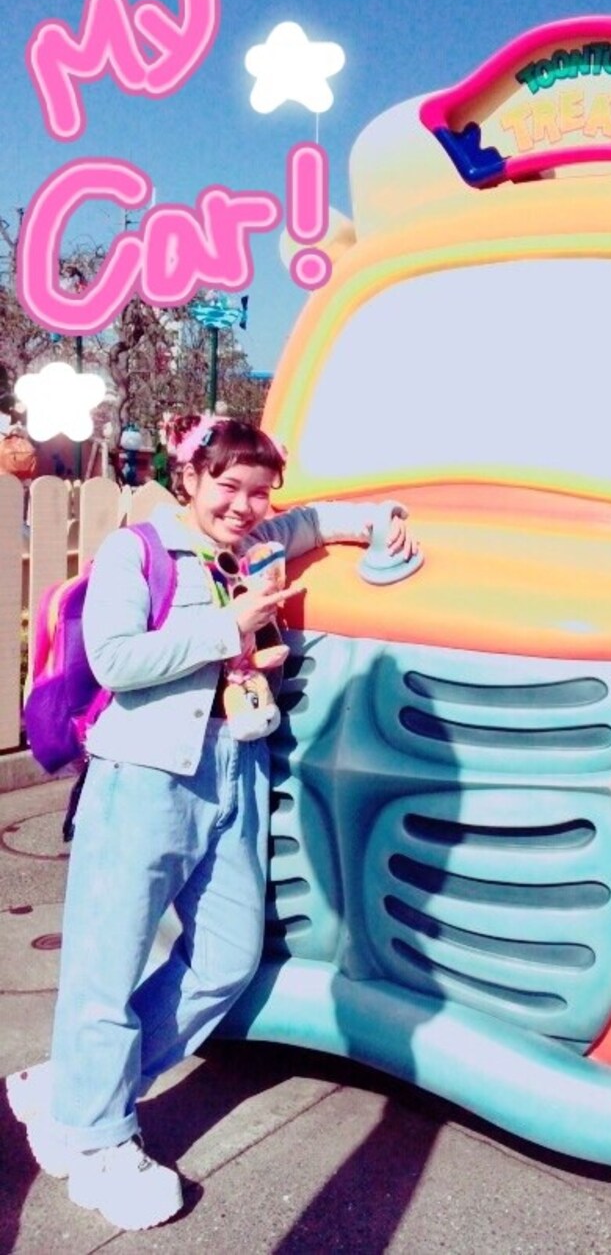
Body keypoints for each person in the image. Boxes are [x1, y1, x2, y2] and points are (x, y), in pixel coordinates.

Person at [5, 413, 417, 1231]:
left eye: (260, 491)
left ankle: (79, 1090)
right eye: (227, 485)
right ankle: (97, 1140)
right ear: (189, 477)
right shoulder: (139, 552)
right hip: (143, 776)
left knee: (227, 958)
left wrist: (381, 520)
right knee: (105, 966)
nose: (244, 505)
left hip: (236, 766)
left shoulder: (258, 542)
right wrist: (230, 626)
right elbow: (117, 658)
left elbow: (314, 520)